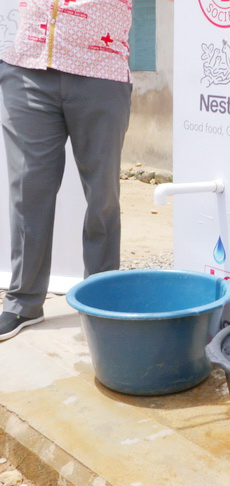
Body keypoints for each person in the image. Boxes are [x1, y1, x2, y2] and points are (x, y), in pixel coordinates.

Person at [0, 0, 132, 340]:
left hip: (99, 71)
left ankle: (102, 300)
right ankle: (23, 303)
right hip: (27, 65)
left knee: (102, 193)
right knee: (28, 191)